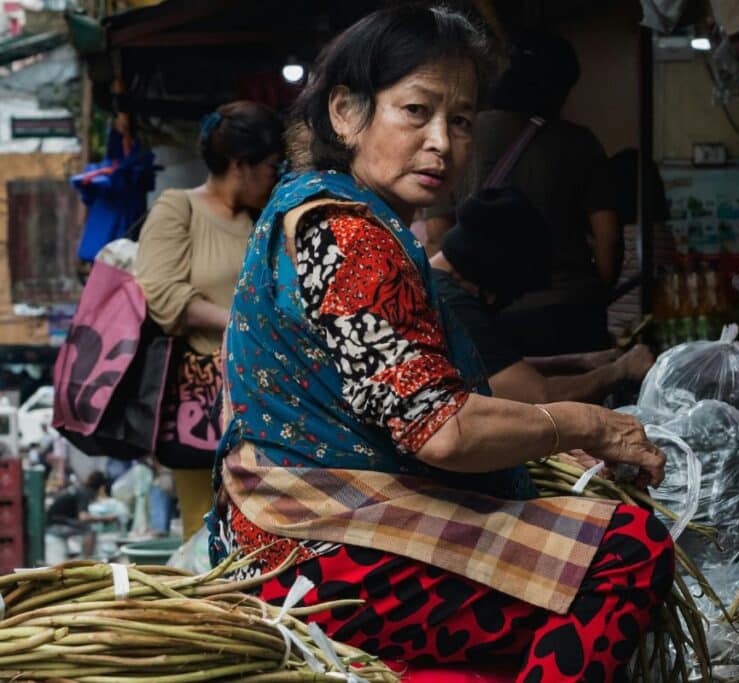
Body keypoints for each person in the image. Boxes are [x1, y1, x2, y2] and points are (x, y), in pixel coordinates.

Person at [209, 7, 671, 682]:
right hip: (319, 550)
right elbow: (441, 431)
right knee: (625, 550)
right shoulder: (350, 236)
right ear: (346, 112)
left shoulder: (307, 203)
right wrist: (590, 425)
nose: (442, 143)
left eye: (460, 121)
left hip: (281, 530)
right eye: (416, 112)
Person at [134, 100, 284, 541]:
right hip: (202, 399)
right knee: (206, 531)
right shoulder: (178, 208)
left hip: (264, 397)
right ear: (241, 164)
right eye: (271, 166)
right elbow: (161, 294)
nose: (275, 176)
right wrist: (243, 322)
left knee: (268, 527)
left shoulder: (263, 220)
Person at [424, 29, 623, 356]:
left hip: (489, 316)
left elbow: (438, 235)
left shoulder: (460, 134)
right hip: (573, 311)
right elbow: (609, 239)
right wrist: (593, 294)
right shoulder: (579, 143)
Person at [431, 186, 654, 404]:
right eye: (501, 296)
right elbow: (541, 396)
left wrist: (579, 362)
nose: (493, 303)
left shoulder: (431, 281)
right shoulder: (450, 302)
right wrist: (622, 370)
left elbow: (497, 367)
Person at [45, 471, 115, 557]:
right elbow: (83, 517)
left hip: (54, 521)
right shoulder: (84, 493)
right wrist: (105, 519)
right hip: (54, 526)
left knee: (85, 527)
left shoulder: (80, 488)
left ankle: (80, 555)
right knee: (90, 530)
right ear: (101, 487)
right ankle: (87, 559)